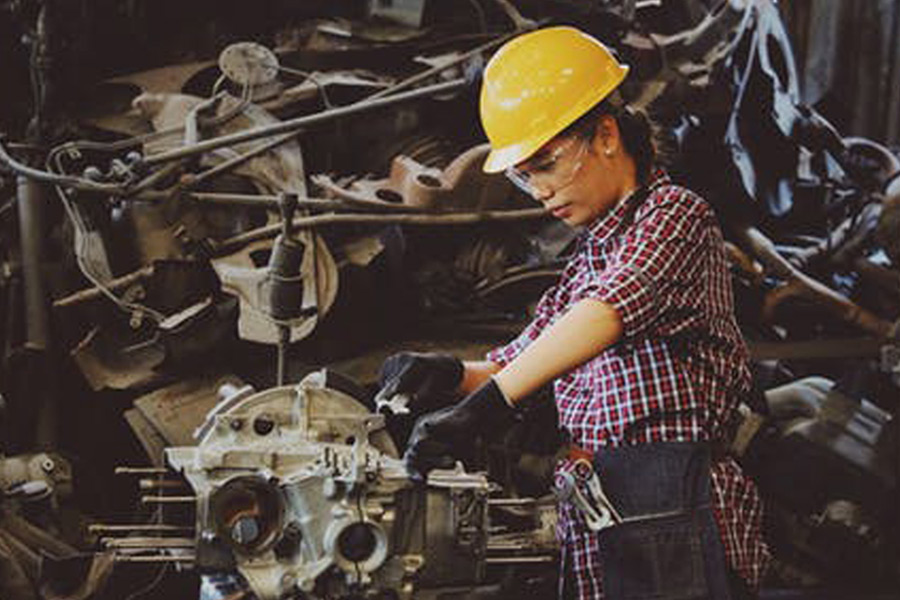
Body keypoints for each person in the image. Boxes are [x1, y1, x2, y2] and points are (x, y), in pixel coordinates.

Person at [378, 26, 769, 600]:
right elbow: (522, 363)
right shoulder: (587, 260)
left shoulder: (675, 216)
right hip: (600, 507)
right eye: (523, 174)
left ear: (606, 135)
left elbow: (608, 312)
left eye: (546, 164)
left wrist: (490, 403)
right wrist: (448, 374)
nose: (537, 190)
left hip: (673, 509)